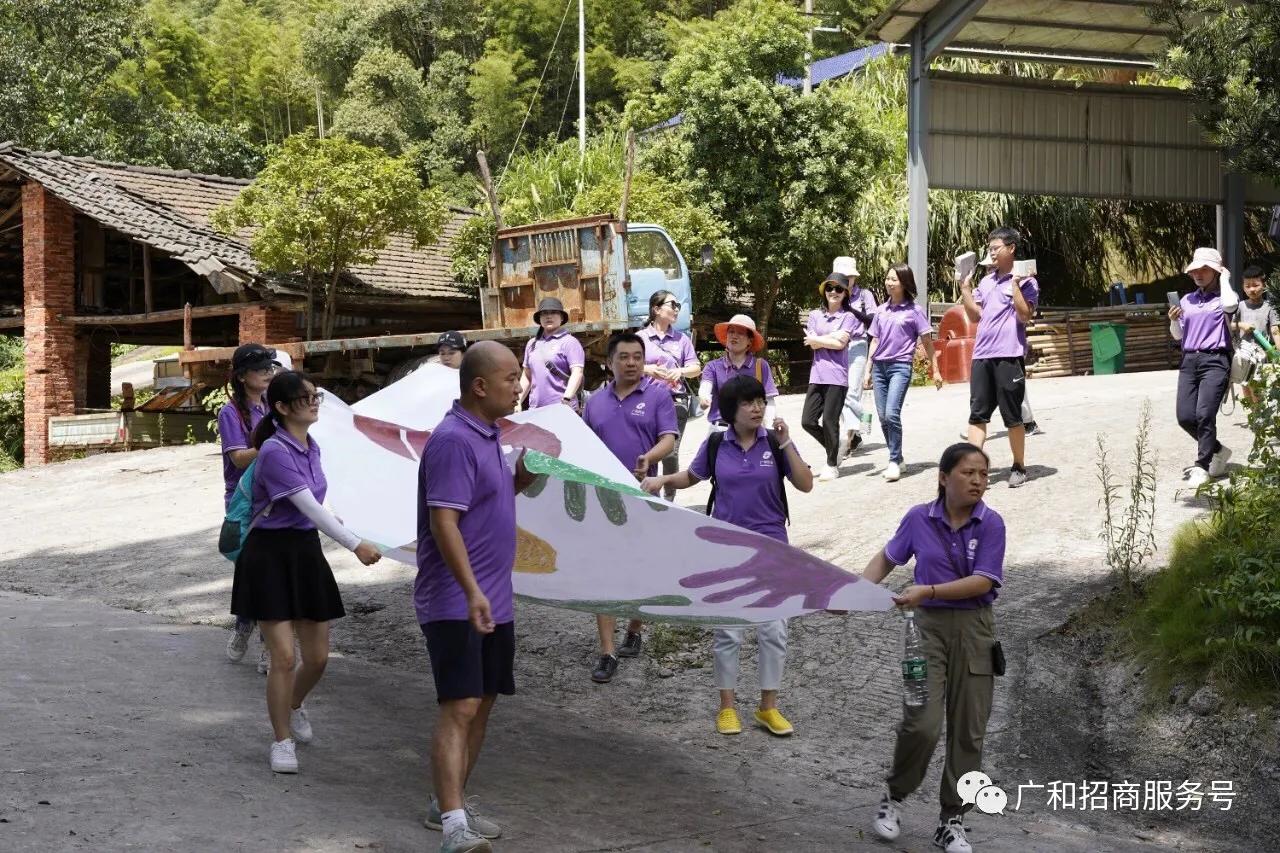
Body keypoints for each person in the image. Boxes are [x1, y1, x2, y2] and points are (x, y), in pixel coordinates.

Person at [641, 376, 813, 737]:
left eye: (760, 401)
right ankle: (727, 708)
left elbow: (805, 484)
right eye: (748, 403)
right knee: (729, 632)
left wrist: (787, 442)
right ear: (731, 410)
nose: (757, 408)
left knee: (773, 630)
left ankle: (768, 708)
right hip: (725, 546)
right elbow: (692, 476)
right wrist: (663, 481)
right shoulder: (717, 442)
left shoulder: (774, 441)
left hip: (772, 546)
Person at [230, 370, 383, 775]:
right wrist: (355, 544)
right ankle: (281, 740)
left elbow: (319, 504)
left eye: (316, 396)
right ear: (281, 407)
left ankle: (294, 703)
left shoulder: (311, 447)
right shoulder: (275, 451)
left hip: (304, 553)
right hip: (269, 555)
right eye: (305, 398)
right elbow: (308, 507)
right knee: (283, 657)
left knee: (316, 659)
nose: (314, 403)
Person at [418, 341, 537, 853]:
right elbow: (443, 522)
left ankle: (450, 804)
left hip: (494, 598)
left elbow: (486, 500)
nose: (520, 386)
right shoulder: (452, 440)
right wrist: (471, 591)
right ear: (480, 386)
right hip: (455, 598)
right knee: (461, 705)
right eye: (511, 378)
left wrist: (521, 479)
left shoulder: (489, 434)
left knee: (483, 702)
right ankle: (453, 828)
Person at [861, 442, 1005, 853]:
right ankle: (894, 797)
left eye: (983, 474)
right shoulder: (918, 518)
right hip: (925, 631)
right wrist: (853, 592)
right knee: (921, 722)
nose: (978, 481)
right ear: (943, 478)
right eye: (968, 472)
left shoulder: (991, 523)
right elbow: (887, 559)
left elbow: (983, 581)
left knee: (969, 730)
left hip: (976, 630)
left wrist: (929, 590)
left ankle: (952, 820)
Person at [582, 332, 678, 682]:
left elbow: (669, 439)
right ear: (610, 363)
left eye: (637, 356)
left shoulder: (658, 395)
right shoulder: (594, 403)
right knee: (604, 573)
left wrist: (649, 458)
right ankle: (607, 652)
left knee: (642, 571)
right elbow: (584, 445)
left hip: (643, 495)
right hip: (604, 499)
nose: (632, 362)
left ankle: (635, 629)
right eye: (624, 357)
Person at [960, 227, 1039, 488]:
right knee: (977, 415)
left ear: (1011, 248)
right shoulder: (986, 281)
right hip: (982, 355)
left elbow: (1024, 315)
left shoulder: (1027, 281)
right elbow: (974, 316)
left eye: (996, 248)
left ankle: (1019, 466)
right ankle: (973, 469)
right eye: (990, 249)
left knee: (1012, 417)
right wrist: (965, 288)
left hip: (1009, 355)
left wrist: (1015, 284)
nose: (992, 253)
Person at [219, 344, 278, 667]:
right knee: (252, 572)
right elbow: (239, 459)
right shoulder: (229, 413)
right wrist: (272, 445)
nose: (268, 372)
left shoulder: (274, 404)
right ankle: (245, 624)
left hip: (275, 496)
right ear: (242, 376)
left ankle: (269, 645)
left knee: (271, 573)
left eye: (270, 367)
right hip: (244, 501)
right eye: (260, 368)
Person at [863, 265, 942, 482]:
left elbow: (927, 342)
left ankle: (893, 460)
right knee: (882, 417)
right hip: (879, 368)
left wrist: (935, 370)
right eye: (887, 278)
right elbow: (875, 340)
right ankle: (897, 458)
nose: (889, 283)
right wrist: (868, 370)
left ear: (904, 283)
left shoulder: (914, 311)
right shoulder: (881, 310)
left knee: (891, 414)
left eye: (894, 279)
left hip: (900, 366)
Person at [1169, 247, 1239, 487]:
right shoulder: (1186, 300)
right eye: (1195, 270)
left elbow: (1230, 306)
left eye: (1205, 269)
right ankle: (1218, 450)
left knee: (1205, 415)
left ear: (1216, 271)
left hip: (1216, 360)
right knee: (1185, 417)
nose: (1198, 274)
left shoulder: (1224, 297)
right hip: (1189, 360)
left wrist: (1225, 278)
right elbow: (1178, 335)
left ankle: (1202, 465)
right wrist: (1173, 320)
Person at [638, 290, 701, 500]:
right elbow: (626, 366)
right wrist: (648, 369)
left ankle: (669, 499)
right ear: (656, 309)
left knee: (670, 452)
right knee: (648, 450)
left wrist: (680, 371)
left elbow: (696, 368)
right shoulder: (640, 338)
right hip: (645, 401)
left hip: (675, 401)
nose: (676, 310)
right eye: (672, 305)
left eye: (678, 306)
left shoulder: (682, 339)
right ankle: (649, 496)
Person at [802, 272, 857, 481]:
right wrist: (832, 336)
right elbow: (811, 343)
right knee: (807, 421)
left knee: (829, 421)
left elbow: (840, 344)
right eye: (829, 288)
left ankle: (831, 464)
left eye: (839, 289)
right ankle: (835, 446)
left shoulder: (848, 317)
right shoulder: (815, 315)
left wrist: (820, 339)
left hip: (837, 377)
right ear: (824, 291)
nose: (834, 292)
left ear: (845, 294)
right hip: (817, 375)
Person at [831, 257, 880, 459]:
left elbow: (874, 320)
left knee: (852, 392)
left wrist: (850, 309)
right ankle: (856, 431)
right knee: (838, 393)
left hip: (857, 344)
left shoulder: (864, 295)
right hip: (834, 345)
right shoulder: (832, 294)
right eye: (843, 276)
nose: (846, 280)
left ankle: (847, 439)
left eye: (849, 276)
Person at [698, 314, 778, 428]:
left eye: (740, 333)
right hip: (720, 430)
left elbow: (769, 400)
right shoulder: (713, 367)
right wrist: (703, 397)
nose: (734, 336)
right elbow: (705, 387)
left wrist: (769, 428)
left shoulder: (761, 366)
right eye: (731, 332)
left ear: (750, 341)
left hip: (751, 431)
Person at [519, 298, 585, 411]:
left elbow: (577, 373)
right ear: (539, 319)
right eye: (544, 313)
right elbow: (526, 376)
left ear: (562, 317)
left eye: (553, 312)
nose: (548, 316)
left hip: (562, 410)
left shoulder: (569, 342)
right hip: (535, 410)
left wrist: (566, 399)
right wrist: (518, 401)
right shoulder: (532, 344)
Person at [1232, 265, 1278, 405]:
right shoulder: (1240, 306)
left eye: (1256, 285)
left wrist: (1278, 352)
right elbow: (1229, 325)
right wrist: (1241, 325)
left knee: (1258, 390)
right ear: (1243, 287)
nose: (1252, 289)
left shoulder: (1270, 307)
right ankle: (1253, 413)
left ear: (1264, 285)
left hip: (1261, 355)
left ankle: (1259, 413)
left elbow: (1275, 330)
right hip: (1243, 355)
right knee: (1246, 388)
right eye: (1247, 286)